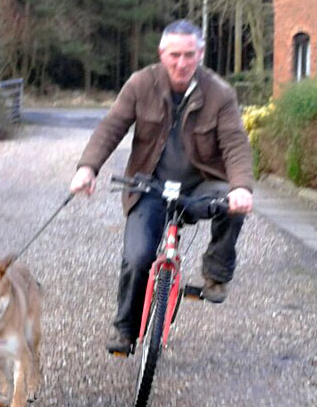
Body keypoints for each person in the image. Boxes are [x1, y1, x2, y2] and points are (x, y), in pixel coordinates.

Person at [69, 20, 254, 355]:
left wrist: (242, 187)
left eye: (188, 55)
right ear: (161, 54)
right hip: (149, 185)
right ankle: (125, 328)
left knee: (233, 202)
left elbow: (235, 144)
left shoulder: (220, 93)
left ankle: (215, 273)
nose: (181, 63)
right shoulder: (141, 84)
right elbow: (111, 127)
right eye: (174, 55)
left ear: (200, 54)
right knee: (138, 257)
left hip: (199, 185)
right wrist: (87, 167)